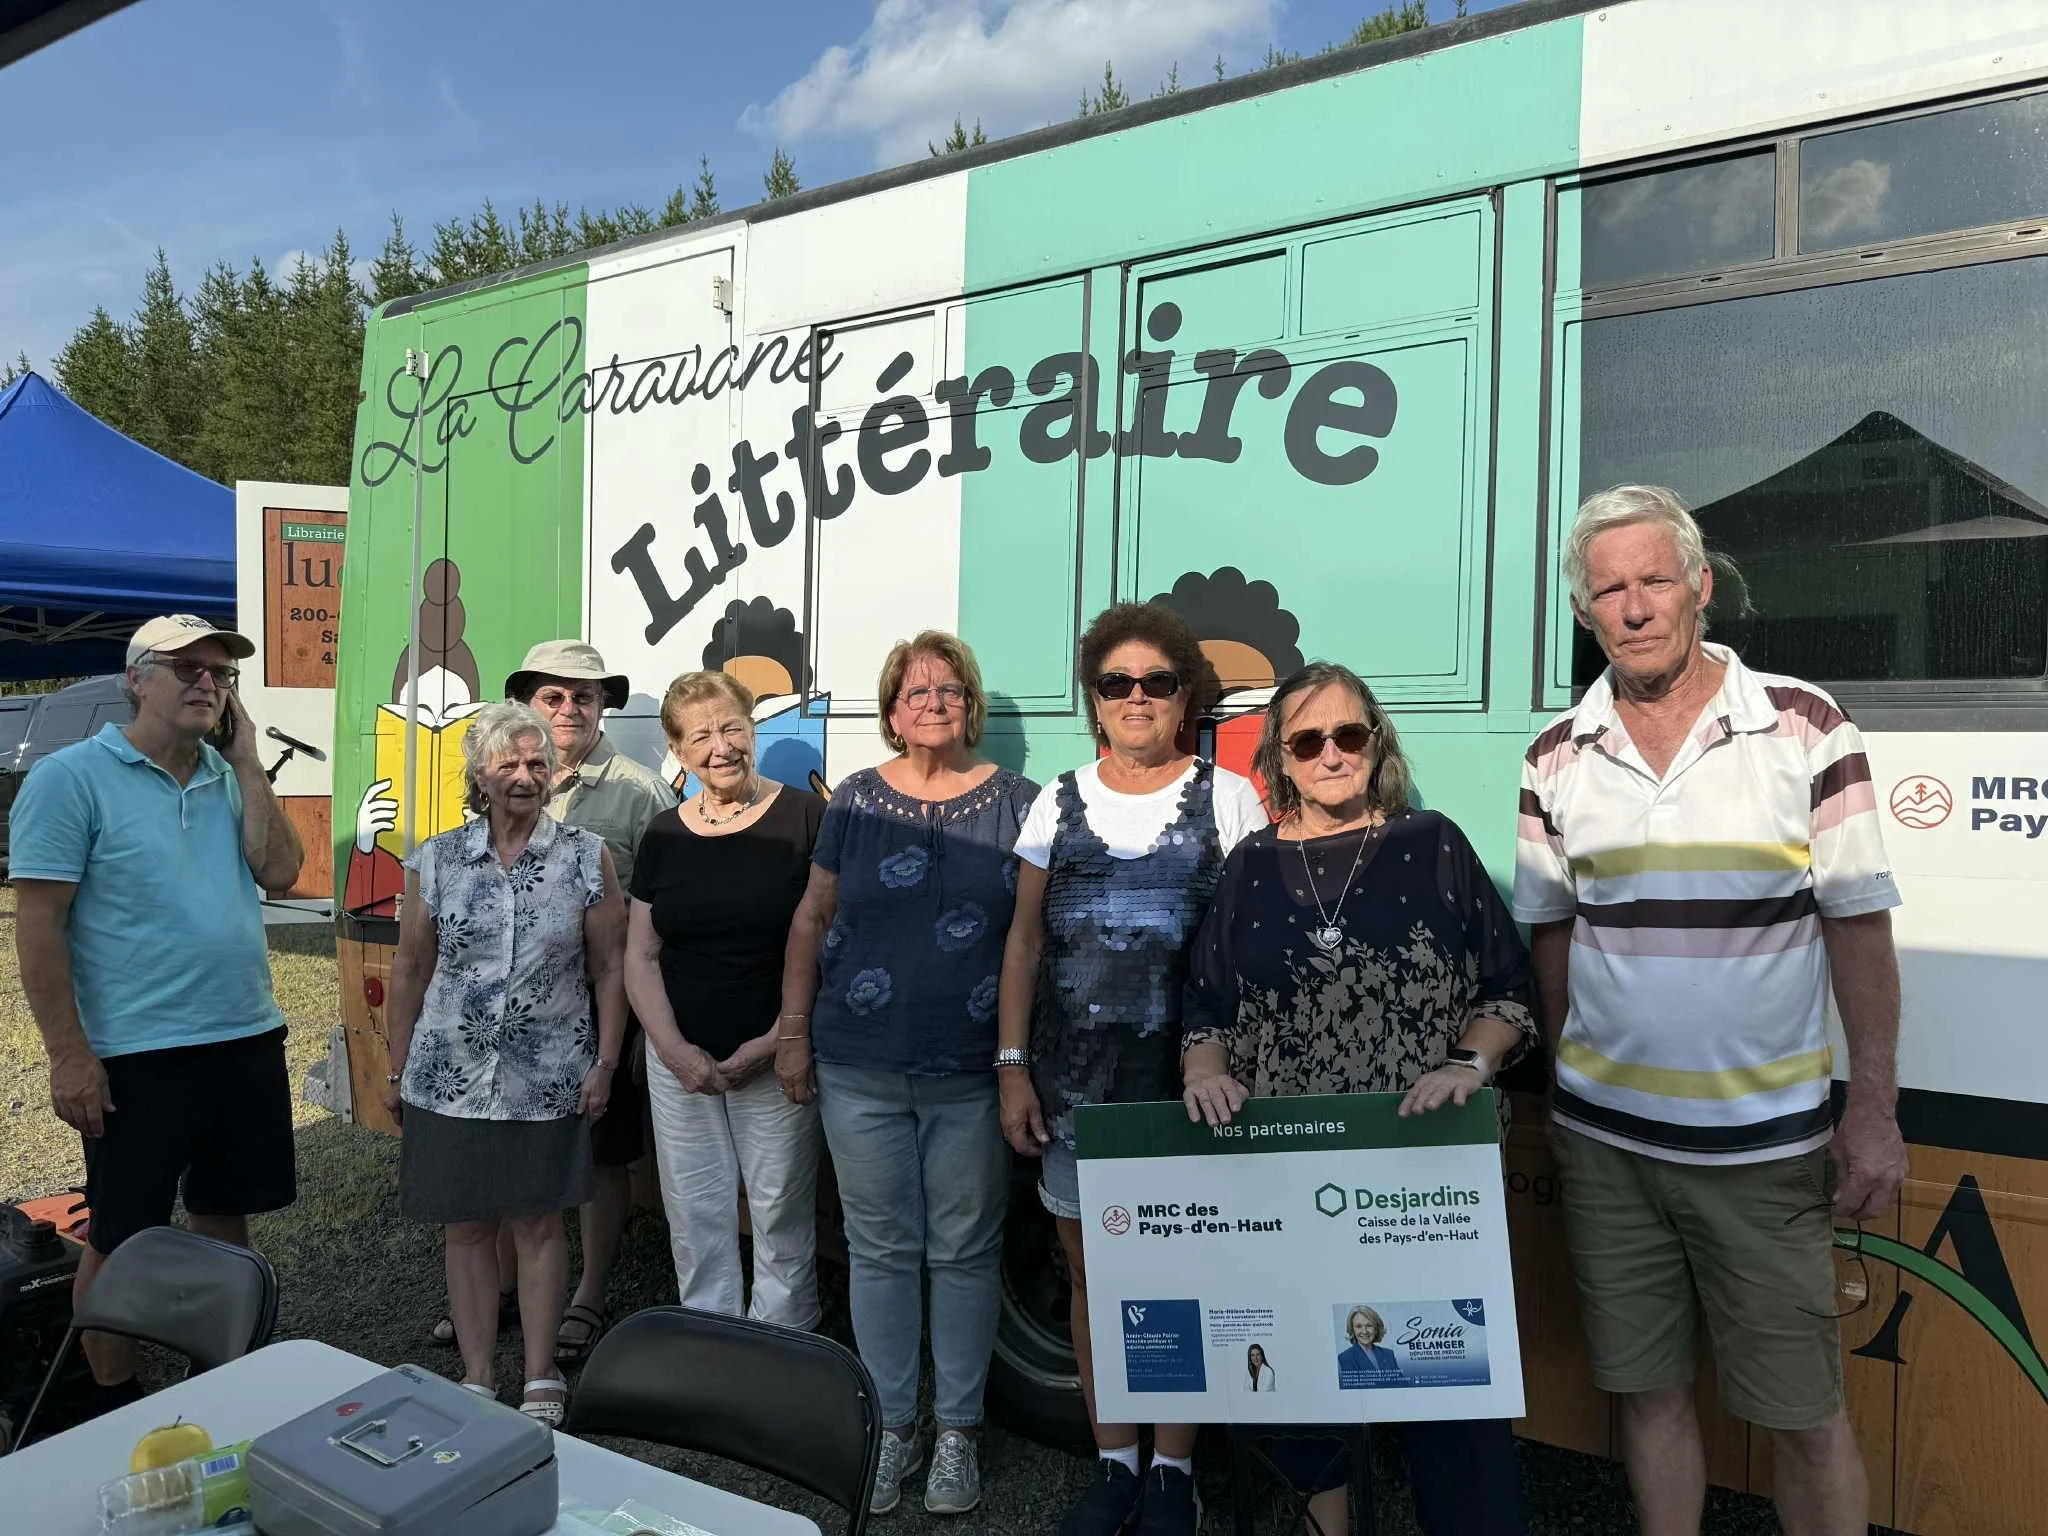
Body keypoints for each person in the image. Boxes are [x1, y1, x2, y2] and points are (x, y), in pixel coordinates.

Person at [1514, 485, 1904, 1536]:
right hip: (1605, 1150)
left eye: (1652, 580)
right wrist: (1561, 1082)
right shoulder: (1554, 752)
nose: (1633, 606)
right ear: (1584, 613)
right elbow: (1552, 934)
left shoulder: (1802, 723)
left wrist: (1871, 1110)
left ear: (1698, 586)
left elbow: (1856, 927)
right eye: (1608, 589)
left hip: (1762, 1151)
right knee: (1646, 1398)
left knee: (1805, 1418)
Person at [1180, 661, 1535, 1536]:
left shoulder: (1435, 844)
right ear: (1281, 760)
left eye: (1349, 735)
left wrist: (1471, 1064)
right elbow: (1207, 1006)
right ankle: (1324, 1526)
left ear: (1376, 745)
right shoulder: (1250, 867)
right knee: (1300, 1374)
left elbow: (1511, 991)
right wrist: (1204, 1072)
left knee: (1447, 1383)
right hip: (1290, 1168)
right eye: (1309, 741)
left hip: (1420, 1173)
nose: (1332, 753)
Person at [995, 600, 1266, 1536]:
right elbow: (1023, 944)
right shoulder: (1057, 799)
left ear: (1185, 696)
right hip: (1074, 1092)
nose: (1138, 698)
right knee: (1089, 1276)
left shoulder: (1229, 799)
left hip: (1188, 1092)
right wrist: (1011, 1068)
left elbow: (1244, 952)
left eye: (1157, 681)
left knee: (1180, 1274)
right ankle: (1114, 1463)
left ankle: (1173, 1473)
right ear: (1096, 701)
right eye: (1118, 684)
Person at [10, 615, 303, 1416]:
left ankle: (223, 1386)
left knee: (224, 1215)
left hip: (243, 1034)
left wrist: (246, 764)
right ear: (135, 679)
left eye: (221, 672)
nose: (208, 682)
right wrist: (68, 1055)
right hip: (137, 1053)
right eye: (187, 669)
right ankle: (115, 1404)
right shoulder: (71, 778)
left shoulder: (225, 773)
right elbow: (38, 924)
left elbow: (280, 871)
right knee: (122, 1237)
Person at [778, 630, 1037, 1518]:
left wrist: (1015, 1063)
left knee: (964, 1252)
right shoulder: (853, 799)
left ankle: (957, 1432)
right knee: (881, 1251)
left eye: (950, 690)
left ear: (971, 706)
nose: (933, 702)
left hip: (970, 1069)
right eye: (915, 691)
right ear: (891, 712)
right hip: (859, 1063)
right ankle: (893, 1426)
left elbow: (1030, 939)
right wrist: (794, 1030)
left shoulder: (1019, 804)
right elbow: (812, 919)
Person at [423, 641, 676, 1363]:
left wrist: (627, 1033)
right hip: (502, 1017)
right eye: (554, 696)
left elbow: (653, 919)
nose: (569, 709)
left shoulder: (637, 791)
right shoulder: (503, 772)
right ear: (528, 705)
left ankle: (588, 1294)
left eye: (585, 697)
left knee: (598, 1157)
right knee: (505, 1152)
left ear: (603, 708)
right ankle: (501, 1287)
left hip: (600, 1004)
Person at [384, 702, 627, 1426]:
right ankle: (480, 1372)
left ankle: (542, 1372)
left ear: (555, 775)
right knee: (465, 1227)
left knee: (539, 1227)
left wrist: (607, 1062)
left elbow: (610, 967)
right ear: (479, 776)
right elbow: (409, 968)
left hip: (547, 1075)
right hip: (448, 1074)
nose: (525, 777)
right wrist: (397, 1068)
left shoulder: (588, 855)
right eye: (508, 765)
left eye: (537, 765)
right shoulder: (437, 857)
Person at [626, 670, 826, 1325]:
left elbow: (829, 940)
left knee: (779, 1210)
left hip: (776, 1053)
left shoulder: (805, 816)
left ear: (754, 729)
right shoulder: (663, 833)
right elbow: (640, 954)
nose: (721, 746)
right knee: (693, 1207)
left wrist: (775, 1043)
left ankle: (783, 1342)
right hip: (678, 1061)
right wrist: (673, 1050)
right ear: (679, 753)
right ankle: (709, 1338)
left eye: (732, 726)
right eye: (701, 735)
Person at [1337, 1307, 1400, 1386]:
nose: (1364, 1331)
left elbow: (1402, 1384)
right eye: (1359, 1326)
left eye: (1369, 1325)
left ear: (1376, 1328)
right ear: (1352, 1330)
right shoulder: (1346, 1358)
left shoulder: (1388, 1354)